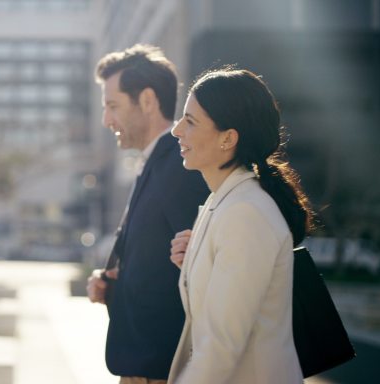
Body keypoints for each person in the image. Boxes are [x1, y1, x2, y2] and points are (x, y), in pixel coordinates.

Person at [167, 68, 313, 384]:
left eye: (190, 121)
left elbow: (221, 346)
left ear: (228, 138)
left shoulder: (245, 212)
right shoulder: (224, 201)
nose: (176, 130)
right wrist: (194, 263)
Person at [86, 44, 209, 383]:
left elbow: (202, 272)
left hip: (163, 369)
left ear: (148, 101)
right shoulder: (156, 164)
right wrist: (116, 283)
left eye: (112, 106)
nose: (106, 120)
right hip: (147, 366)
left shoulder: (179, 167)